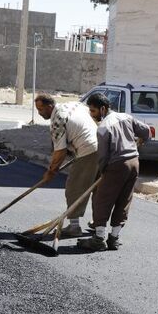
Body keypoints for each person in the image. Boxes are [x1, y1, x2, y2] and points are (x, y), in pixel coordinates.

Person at [79, 92, 152, 252]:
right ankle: (114, 238)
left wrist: (104, 172)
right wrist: (141, 141)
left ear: (103, 108)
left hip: (117, 165)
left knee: (102, 200)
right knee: (124, 200)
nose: (92, 115)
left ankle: (98, 239)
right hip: (134, 163)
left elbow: (103, 157)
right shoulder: (126, 117)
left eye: (93, 111)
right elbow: (147, 131)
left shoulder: (103, 128)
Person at [34, 93, 99, 238]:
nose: (39, 113)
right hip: (102, 146)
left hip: (88, 150)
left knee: (74, 187)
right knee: (97, 188)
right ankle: (99, 224)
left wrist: (51, 171)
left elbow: (60, 152)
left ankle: (74, 227)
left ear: (50, 106)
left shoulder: (57, 121)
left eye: (41, 109)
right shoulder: (73, 104)